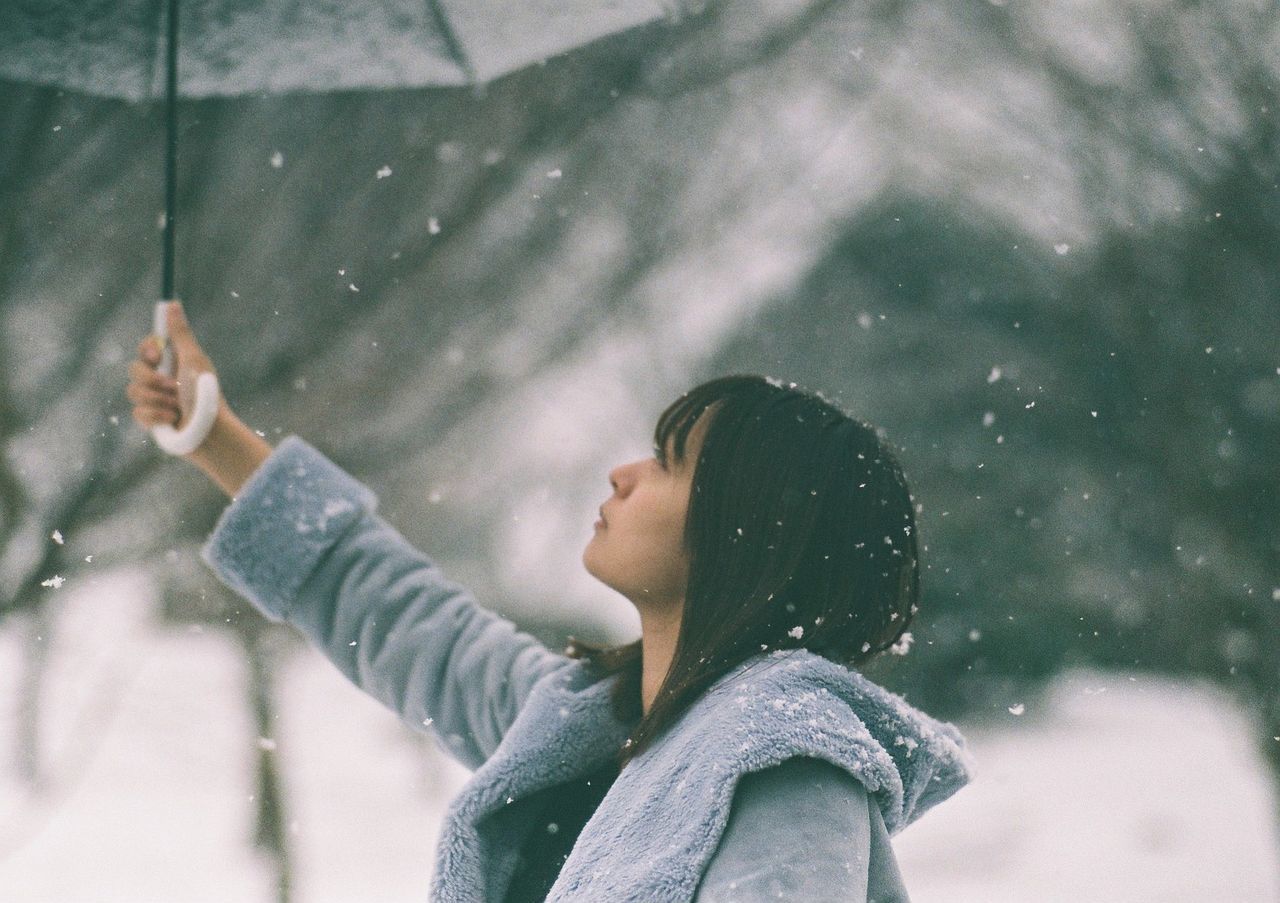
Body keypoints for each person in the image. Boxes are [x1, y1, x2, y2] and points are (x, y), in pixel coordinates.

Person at [127, 301, 972, 902]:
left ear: (746, 532)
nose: (624, 473)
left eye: (669, 463)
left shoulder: (791, 768)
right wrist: (216, 438)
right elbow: (403, 619)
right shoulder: (591, 727)